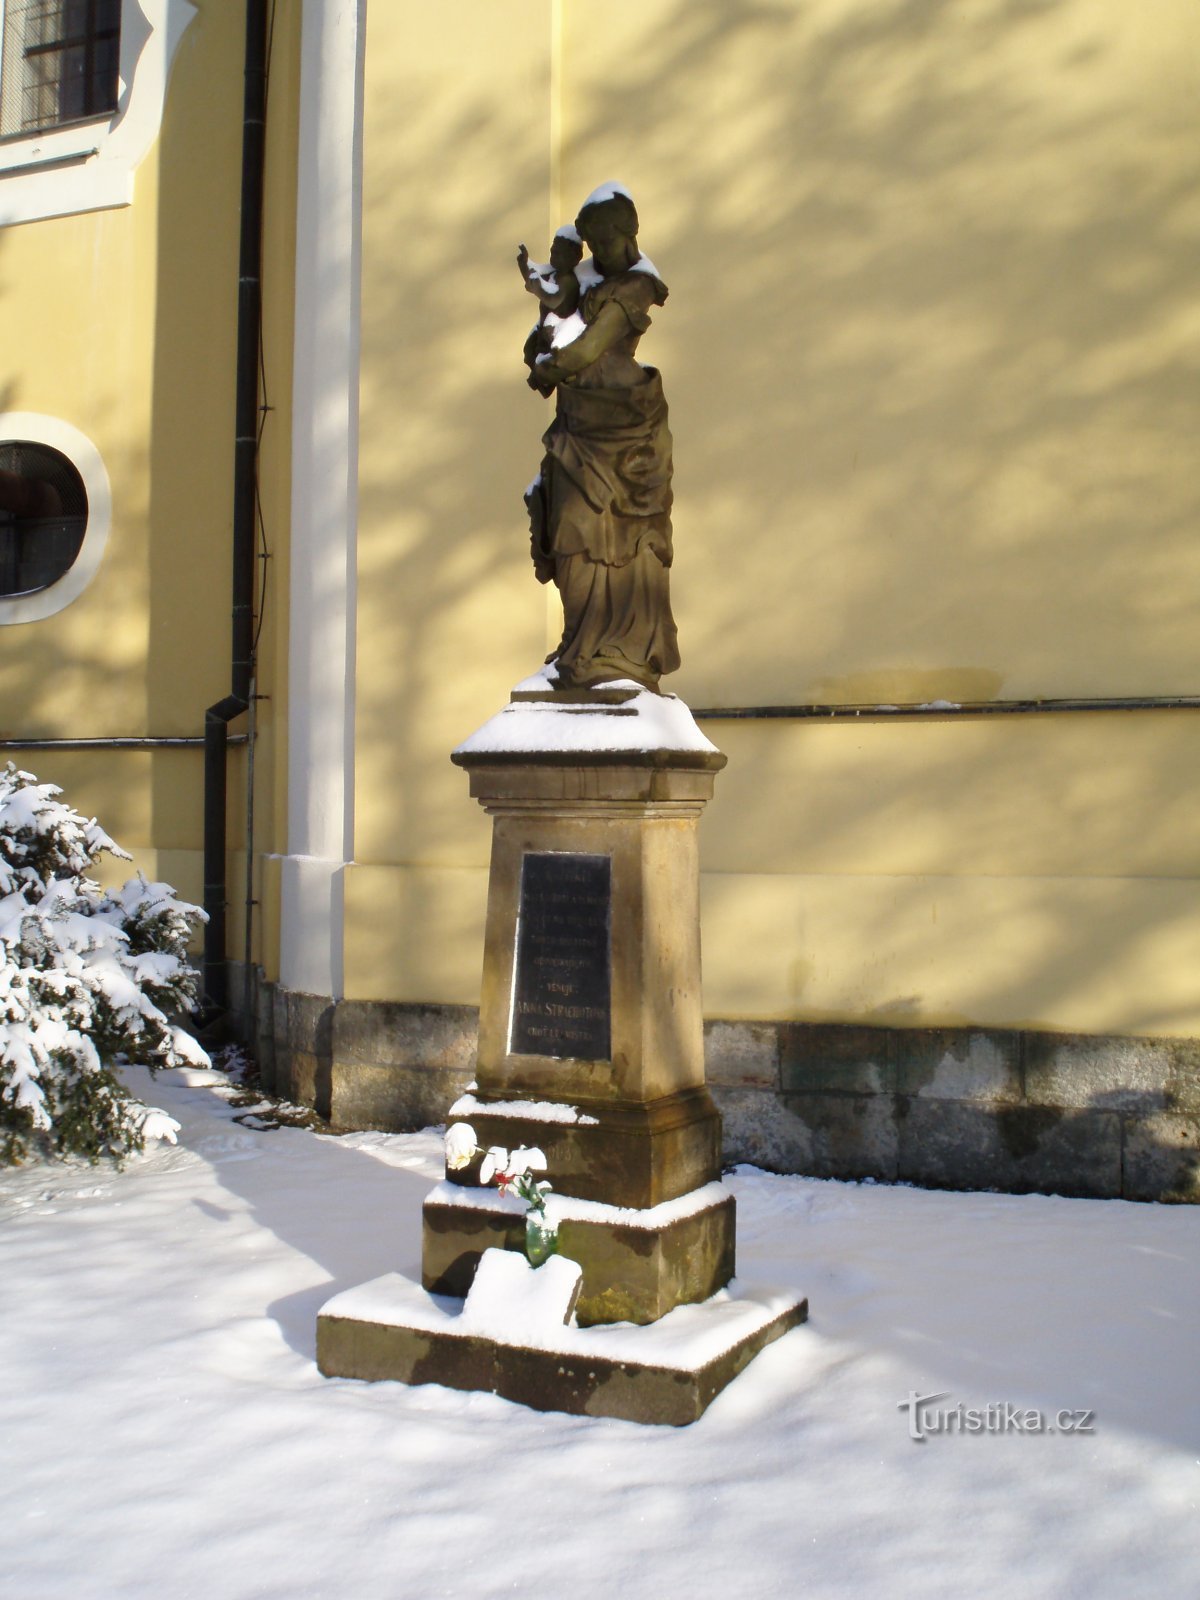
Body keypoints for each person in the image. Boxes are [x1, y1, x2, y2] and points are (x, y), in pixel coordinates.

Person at [523, 185, 680, 692]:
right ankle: (580, 640)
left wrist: (551, 367)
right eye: (590, 244)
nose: (598, 253)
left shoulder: (634, 287)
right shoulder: (586, 280)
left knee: (627, 540)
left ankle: (620, 649)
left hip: (624, 428)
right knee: (569, 528)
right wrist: (544, 337)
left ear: (629, 232)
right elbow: (552, 332)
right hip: (578, 423)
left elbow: (588, 346)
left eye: (604, 241)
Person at [517, 227, 585, 394]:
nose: (553, 257)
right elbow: (535, 275)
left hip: (559, 330)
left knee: (548, 361)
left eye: (558, 253)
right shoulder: (553, 273)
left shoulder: (568, 280)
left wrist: (539, 290)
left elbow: (555, 300)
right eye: (552, 252)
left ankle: (548, 380)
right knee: (530, 351)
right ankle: (542, 380)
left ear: (574, 258)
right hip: (544, 325)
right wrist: (524, 264)